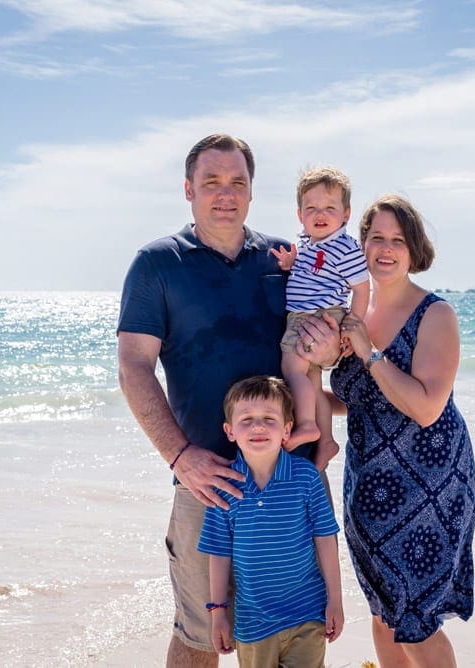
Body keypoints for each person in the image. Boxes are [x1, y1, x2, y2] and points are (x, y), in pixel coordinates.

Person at [116, 133, 341, 667]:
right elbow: (133, 367)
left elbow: (322, 345)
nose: (225, 193)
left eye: (237, 182)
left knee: (295, 631)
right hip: (207, 482)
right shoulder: (156, 265)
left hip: (292, 478)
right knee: (202, 635)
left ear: (251, 192)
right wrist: (179, 456)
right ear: (188, 189)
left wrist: (334, 350)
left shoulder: (286, 257)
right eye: (212, 181)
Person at [330, 195, 475, 668]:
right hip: (368, 487)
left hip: (428, 487)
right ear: (363, 244)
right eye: (376, 238)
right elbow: (351, 401)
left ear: (414, 250)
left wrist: (370, 353)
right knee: (382, 612)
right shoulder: (353, 312)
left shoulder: (436, 315)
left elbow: (426, 406)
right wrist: (302, 377)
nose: (386, 249)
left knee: (415, 619)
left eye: (398, 240)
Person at [197, 375, 344, 667]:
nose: (258, 426)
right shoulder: (224, 486)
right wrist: (218, 614)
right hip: (254, 623)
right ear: (229, 431)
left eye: (269, 418)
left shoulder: (306, 477)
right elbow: (219, 554)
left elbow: (326, 541)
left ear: (287, 429)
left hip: (308, 613)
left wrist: (335, 601)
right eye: (247, 419)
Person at [270, 166, 369, 469]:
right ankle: (325, 440)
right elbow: (309, 273)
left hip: (314, 316)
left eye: (329, 207)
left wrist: (352, 327)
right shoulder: (309, 243)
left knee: (292, 371)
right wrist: (290, 263)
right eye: (311, 208)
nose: (320, 214)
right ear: (300, 214)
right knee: (311, 381)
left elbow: (362, 289)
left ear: (346, 213)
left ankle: (306, 426)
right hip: (310, 315)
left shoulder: (345, 246)